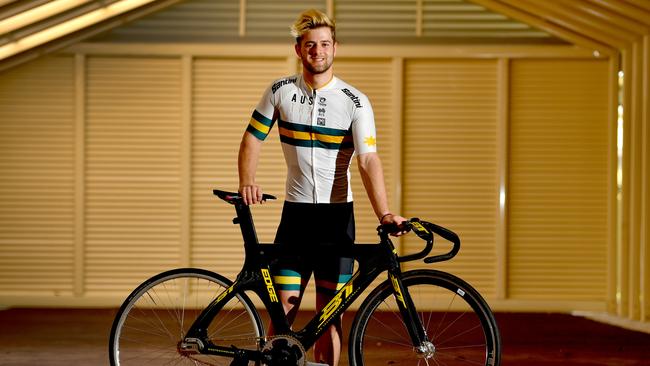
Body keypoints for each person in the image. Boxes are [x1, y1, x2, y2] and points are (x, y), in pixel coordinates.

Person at [237, 9, 406, 366]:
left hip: (337, 219)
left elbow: (368, 160)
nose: (319, 51)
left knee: (331, 312)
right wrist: (247, 182)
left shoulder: (354, 101)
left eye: (325, 44)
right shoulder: (280, 91)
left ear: (335, 48)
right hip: (295, 215)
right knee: (284, 306)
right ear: (299, 49)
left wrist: (385, 212)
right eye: (311, 45)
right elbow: (252, 139)